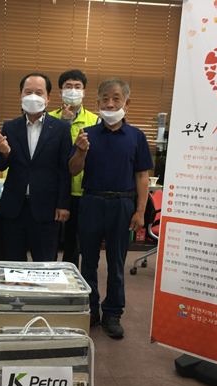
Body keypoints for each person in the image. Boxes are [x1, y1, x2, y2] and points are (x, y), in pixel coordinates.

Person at [69, 78, 154, 339]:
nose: (110, 104)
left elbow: (142, 176)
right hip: (91, 201)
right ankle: (90, 309)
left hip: (122, 204)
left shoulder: (136, 136)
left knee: (117, 262)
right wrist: (80, 152)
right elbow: (73, 169)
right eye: (105, 99)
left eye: (116, 98)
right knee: (88, 261)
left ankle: (113, 313)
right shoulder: (87, 134)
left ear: (127, 102)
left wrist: (140, 211)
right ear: (97, 102)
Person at [0, 73, 71, 261]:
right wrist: (4, 153)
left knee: (44, 263)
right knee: (13, 263)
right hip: (15, 207)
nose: (33, 96)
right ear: (20, 95)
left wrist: (63, 204)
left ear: (48, 98)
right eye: (28, 92)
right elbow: (0, 165)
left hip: (47, 208)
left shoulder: (61, 128)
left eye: (39, 92)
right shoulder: (9, 127)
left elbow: (64, 170)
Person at [48, 69, 99, 268]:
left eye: (77, 87)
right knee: (50, 239)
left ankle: (69, 275)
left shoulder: (95, 121)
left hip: (80, 190)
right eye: (68, 87)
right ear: (60, 92)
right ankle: (48, 273)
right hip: (53, 188)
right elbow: (48, 151)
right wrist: (64, 123)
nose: (73, 90)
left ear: (84, 92)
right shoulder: (49, 118)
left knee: (73, 241)